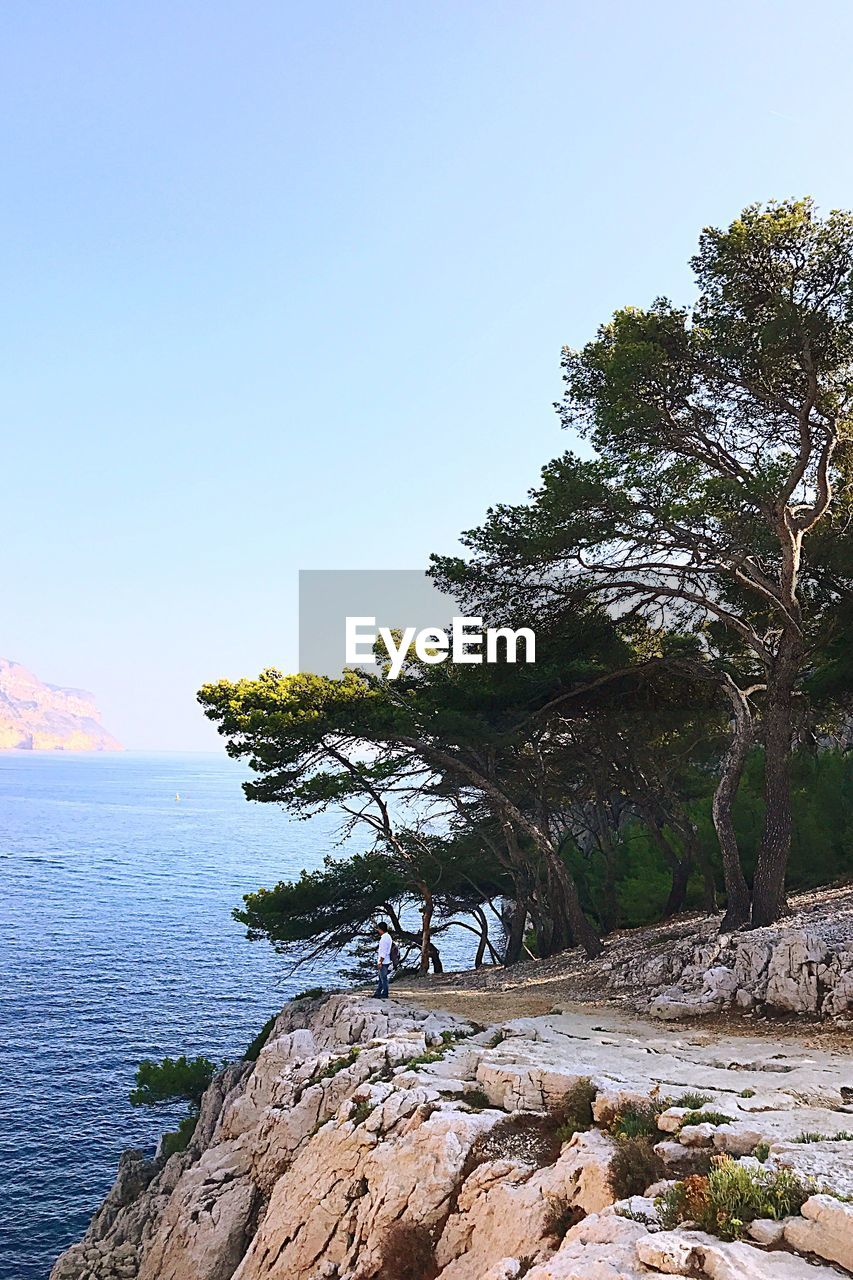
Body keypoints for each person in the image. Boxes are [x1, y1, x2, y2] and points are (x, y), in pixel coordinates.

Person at [373, 921, 392, 999]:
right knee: (381, 978)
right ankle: (378, 992)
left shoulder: (384, 939)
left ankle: (385, 993)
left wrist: (380, 961)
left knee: (383, 978)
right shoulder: (388, 937)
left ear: (381, 929)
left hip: (384, 961)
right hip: (387, 960)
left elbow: (383, 951)